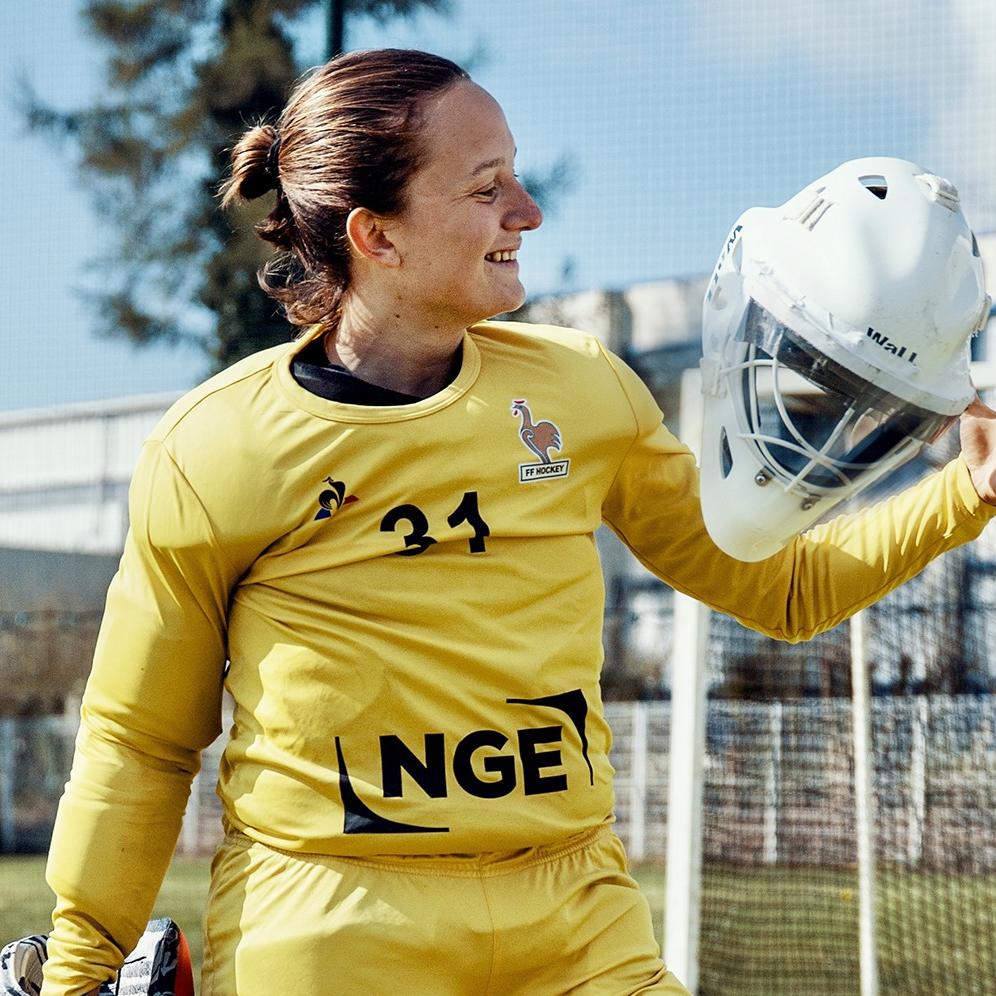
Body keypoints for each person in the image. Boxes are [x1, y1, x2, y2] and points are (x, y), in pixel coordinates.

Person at [40, 48, 996, 996]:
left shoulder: (583, 392)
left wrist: (969, 491)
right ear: (378, 236)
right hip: (332, 923)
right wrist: (79, 973)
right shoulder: (218, 446)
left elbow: (780, 589)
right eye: (485, 187)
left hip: (576, 917)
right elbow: (141, 738)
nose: (528, 212)